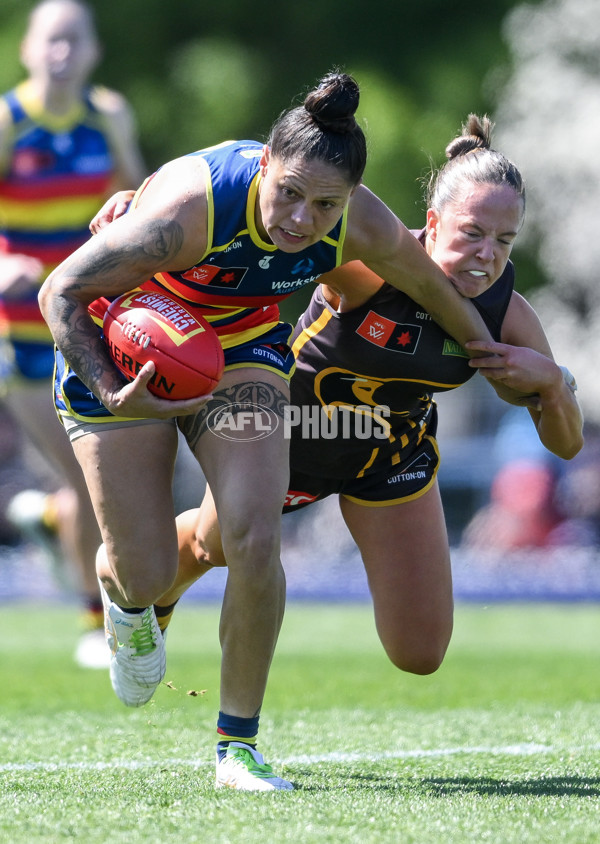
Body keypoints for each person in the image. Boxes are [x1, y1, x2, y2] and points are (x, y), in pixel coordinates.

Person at [39, 72, 499, 791]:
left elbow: (430, 288)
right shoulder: (188, 214)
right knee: (147, 571)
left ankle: (238, 749)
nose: (300, 220)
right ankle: (123, 592)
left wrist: (489, 353)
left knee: (254, 531)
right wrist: (107, 385)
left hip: (240, 354)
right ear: (262, 167)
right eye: (288, 193)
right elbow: (59, 289)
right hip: (123, 342)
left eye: (324, 205)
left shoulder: (360, 223)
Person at [148, 115, 583, 750]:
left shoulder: (509, 315)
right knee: (215, 547)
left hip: (390, 461)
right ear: (430, 225)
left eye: (504, 240)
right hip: (290, 435)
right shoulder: (365, 263)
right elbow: (259, 231)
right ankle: (157, 585)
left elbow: (565, 445)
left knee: (421, 653)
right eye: (471, 233)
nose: (487, 254)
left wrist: (553, 382)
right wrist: (153, 212)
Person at [0, 0, 146, 667]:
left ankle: (56, 525)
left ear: (91, 52)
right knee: (86, 474)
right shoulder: (9, 119)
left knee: (88, 472)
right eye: (50, 40)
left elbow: (140, 200)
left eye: (74, 40)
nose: (62, 51)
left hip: (88, 324)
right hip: (21, 332)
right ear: (28, 49)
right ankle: (95, 624)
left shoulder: (108, 114)